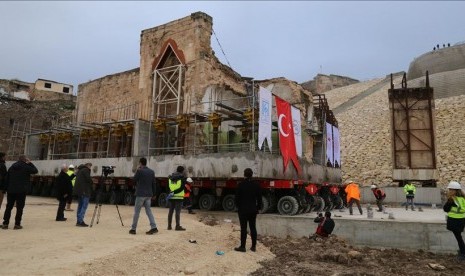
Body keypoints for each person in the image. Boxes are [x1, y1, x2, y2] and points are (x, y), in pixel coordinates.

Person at [2, 155, 38, 230]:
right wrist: (30, 163)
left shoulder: (12, 167)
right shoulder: (26, 166)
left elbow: (7, 178)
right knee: (20, 208)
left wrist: (5, 189)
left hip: (11, 190)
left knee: (9, 207)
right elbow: (35, 171)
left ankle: (5, 223)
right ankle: (17, 224)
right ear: (25, 160)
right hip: (21, 191)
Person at [234, 168, 262, 253]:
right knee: (253, 227)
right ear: (252, 174)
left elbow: (237, 198)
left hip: (243, 210)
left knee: (243, 228)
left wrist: (238, 207)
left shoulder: (240, 185)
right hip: (253, 210)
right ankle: (253, 247)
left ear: (244, 175)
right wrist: (258, 208)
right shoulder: (256, 185)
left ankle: (243, 247)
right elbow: (259, 198)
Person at [129, 157, 158, 235]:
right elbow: (153, 183)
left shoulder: (140, 171)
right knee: (149, 211)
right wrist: (154, 194)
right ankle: (154, 227)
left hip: (140, 194)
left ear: (140, 163)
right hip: (149, 195)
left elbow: (134, 180)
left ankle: (133, 229)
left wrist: (137, 171)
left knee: (137, 212)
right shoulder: (151, 172)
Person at [443, 181, 465, 261]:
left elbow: (445, 209)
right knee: (459, 237)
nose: (450, 191)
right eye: (450, 189)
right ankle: (462, 251)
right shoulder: (463, 198)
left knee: (459, 238)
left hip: (455, 221)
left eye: (451, 190)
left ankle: (463, 253)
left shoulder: (452, 199)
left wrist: (449, 200)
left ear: (456, 190)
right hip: (461, 220)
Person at [167, 166, 187, 231]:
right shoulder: (182, 178)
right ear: (182, 171)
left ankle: (169, 226)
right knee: (177, 212)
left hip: (171, 196)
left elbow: (169, 187)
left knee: (170, 211)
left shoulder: (171, 177)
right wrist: (175, 192)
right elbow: (182, 188)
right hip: (179, 197)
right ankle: (177, 226)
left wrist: (172, 192)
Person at [74, 163, 93, 227]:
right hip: (85, 191)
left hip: (79, 191)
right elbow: (88, 179)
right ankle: (80, 221)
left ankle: (78, 221)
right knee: (84, 206)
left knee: (80, 206)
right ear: (88, 166)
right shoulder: (86, 170)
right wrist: (92, 181)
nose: (90, 168)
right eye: (90, 166)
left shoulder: (80, 170)